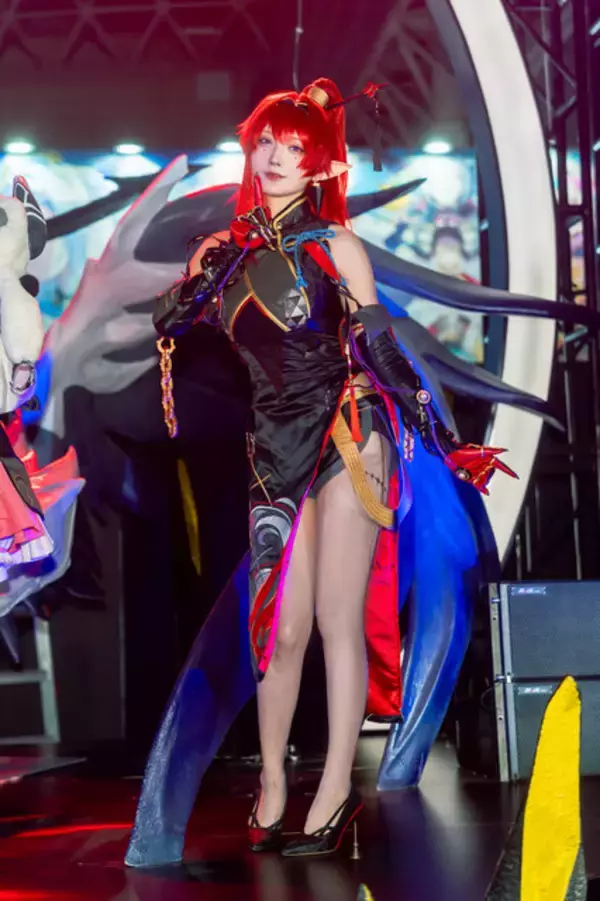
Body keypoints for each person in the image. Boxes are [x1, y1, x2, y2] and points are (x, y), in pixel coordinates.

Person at [141, 77, 515, 859]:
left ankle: (337, 786)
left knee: (336, 619)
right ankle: (274, 780)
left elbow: (381, 347)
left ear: (319, 166)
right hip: (272, 445)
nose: (275, 156)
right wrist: (209, 273)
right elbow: (167, 320)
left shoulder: (335, 245)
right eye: (266, 143)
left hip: (350, 428)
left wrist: (439, 436)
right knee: (280, 630)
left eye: (294, 147)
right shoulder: (223, 251)